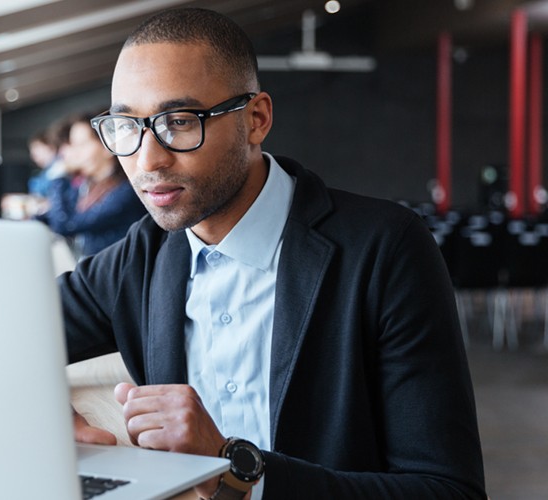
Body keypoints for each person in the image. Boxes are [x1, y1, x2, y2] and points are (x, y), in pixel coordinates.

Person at [60, 7, 486, 500]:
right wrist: (47, 417)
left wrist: (234, 465)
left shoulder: (384, 250)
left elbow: (449, 491)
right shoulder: (145, 255)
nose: (148, 159)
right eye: (125, 126)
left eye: (179, 121)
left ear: (256, 119)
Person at [37, 112, 146, 256]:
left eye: (81, 145)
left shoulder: (126, 190)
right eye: (73, 145)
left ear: (107, 146)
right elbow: (57, 214)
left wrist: (59, 176)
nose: (73, 154)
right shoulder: (89, 185)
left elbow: (66, 225)